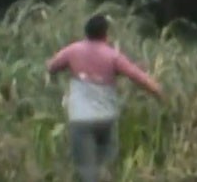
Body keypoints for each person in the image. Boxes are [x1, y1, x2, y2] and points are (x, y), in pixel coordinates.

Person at [46, 14, 164, 182]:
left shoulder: (72, 51)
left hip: (81, 120)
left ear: (86, 31)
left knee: (88, 172)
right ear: (105, 34)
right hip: (106, 119)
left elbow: (52, 66)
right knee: (106, 169)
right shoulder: (112, 56)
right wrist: (161, 94)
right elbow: (139, 78)